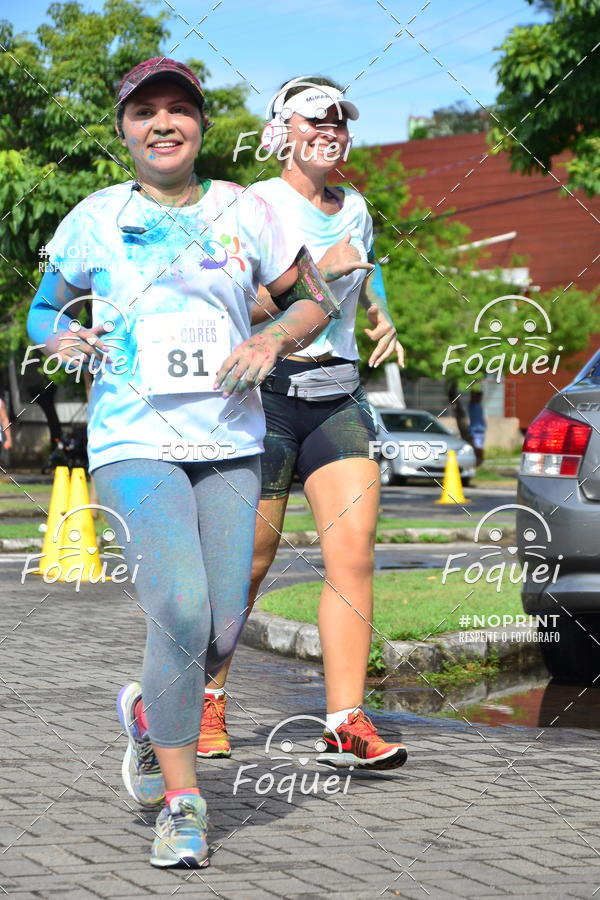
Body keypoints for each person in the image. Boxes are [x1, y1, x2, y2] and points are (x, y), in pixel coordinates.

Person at [27, 58, 341, 869]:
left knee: (224, 623)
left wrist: (272, 336)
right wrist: (56, 333)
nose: (162, 124)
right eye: (145, 112)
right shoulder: (96, 216)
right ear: (125, 127)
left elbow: (313, 297)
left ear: (200, 125)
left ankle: (148, 714)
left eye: (178, 110)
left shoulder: (246, 210)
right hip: (133, 440)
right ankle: (183, 801)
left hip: (232, 438)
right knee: (180, 607)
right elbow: (42, 304)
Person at [199, 76, 408, 771]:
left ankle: (345, 721)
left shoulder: (358, 206)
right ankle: (206, 695)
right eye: (315, 120)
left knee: (352, 552)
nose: (331, 131)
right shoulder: (255, 205)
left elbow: (366, 274)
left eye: (341, 122)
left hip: (338, 391)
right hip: (266, 392)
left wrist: (381, 311)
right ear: (282, 130)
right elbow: (235, 305)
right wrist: (319, 268)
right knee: (249, 559)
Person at [469, 388, 486, 466]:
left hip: (480, 430)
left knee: (479, 447)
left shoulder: (480, 406)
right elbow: (472, 397)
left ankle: (480, 461)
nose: (479, 398)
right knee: (477, 447)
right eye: (478, 396)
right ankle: (478, 460)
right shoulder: (472, 405)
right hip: (475, 430)